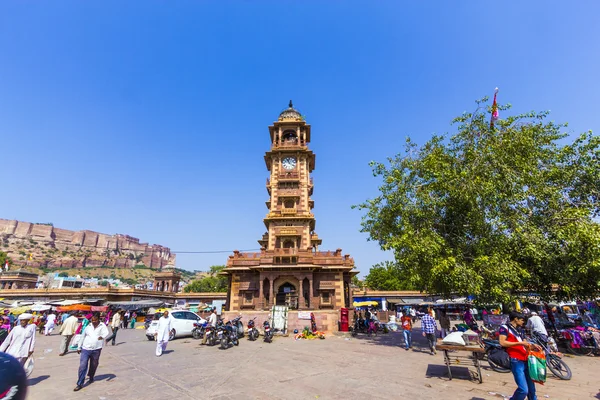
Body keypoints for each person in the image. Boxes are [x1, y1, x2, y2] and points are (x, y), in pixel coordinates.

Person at [499, 312, 541, 400]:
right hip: (516, 360)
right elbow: (502, 342)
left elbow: (525, 344)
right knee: (523, 390)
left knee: (532, 390)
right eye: (522, 320)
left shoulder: (520, 330)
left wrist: (533, 346)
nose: (523, 322)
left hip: (526, 359)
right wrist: (520, 343)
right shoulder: (504, 328)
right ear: (516, 319)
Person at [74, 313, 108, 391]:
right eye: (92, 320)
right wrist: (79, 347)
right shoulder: (88, 327)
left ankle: (91, 376)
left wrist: (102, 337)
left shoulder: (102, 326)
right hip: (85, 348)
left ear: (99, 319)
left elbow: (106, 333)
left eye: (95, 320)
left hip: (96, 349)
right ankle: (80, 383)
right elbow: (82, 336)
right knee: (83, 365)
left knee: (94, 364)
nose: (93, 321)